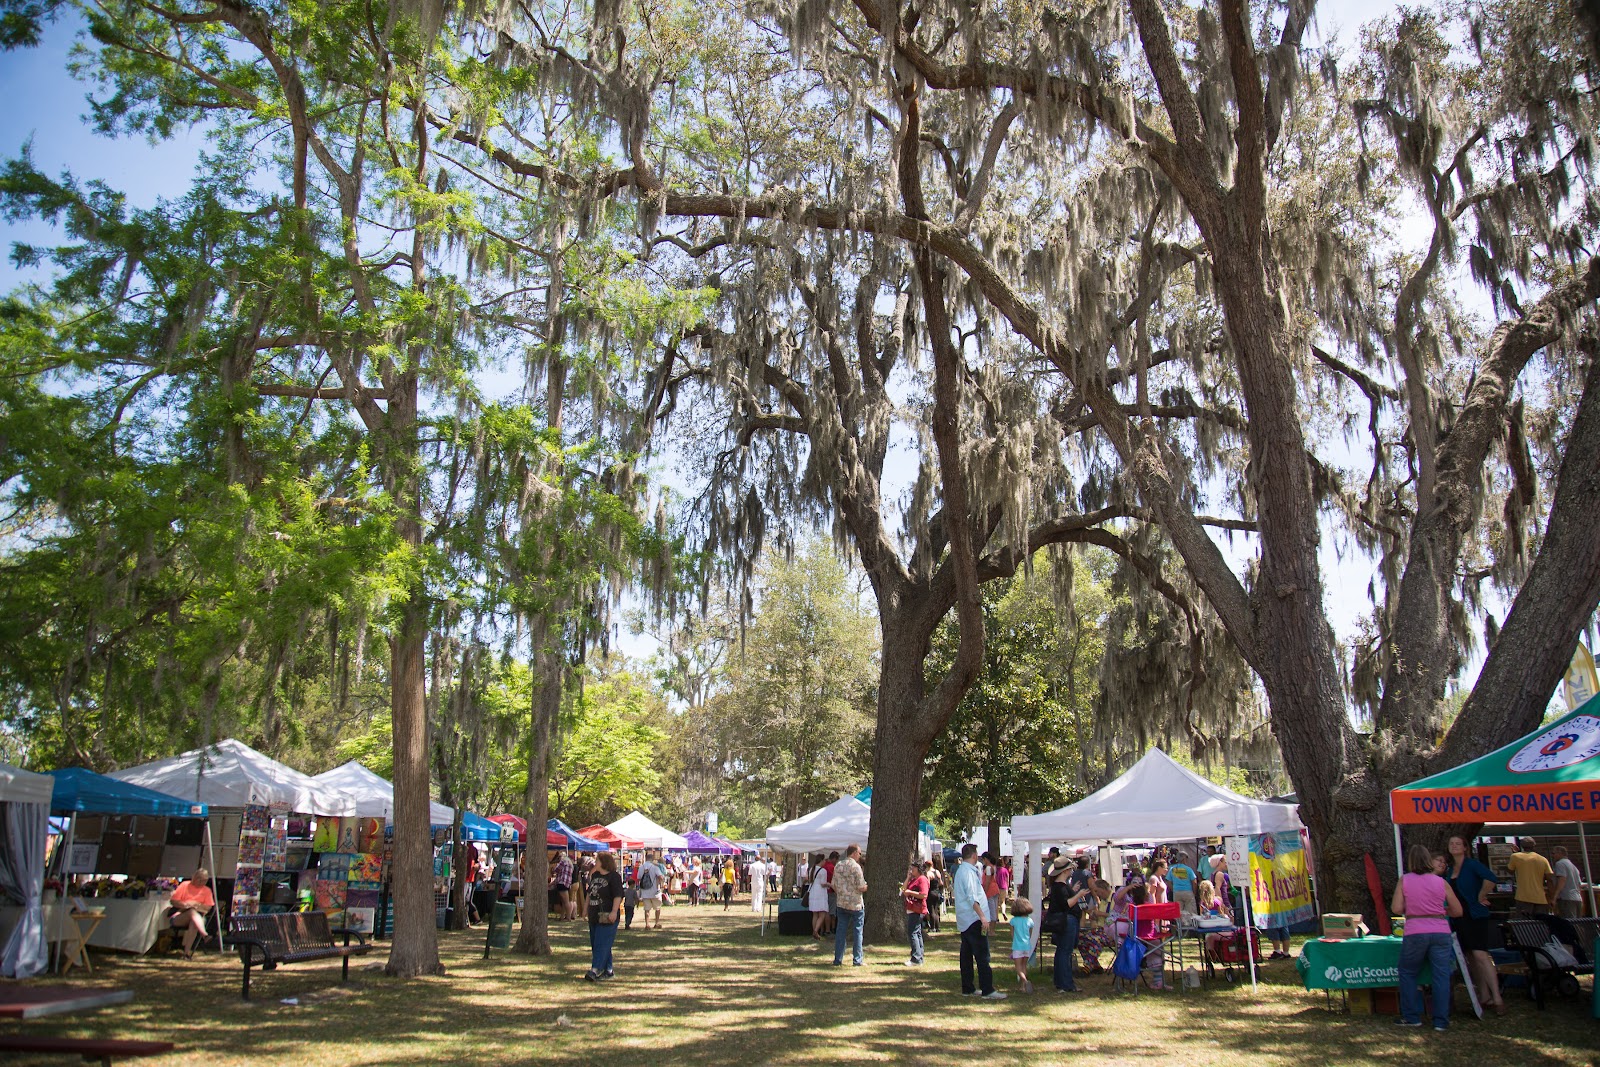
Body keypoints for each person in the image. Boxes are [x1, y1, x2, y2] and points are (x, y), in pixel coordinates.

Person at [1393, 844, 1462, 1030]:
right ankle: (1441, 1021)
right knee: (1441, 975)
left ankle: (1411, 1017)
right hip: (1440, 930)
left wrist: (1413, 907)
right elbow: (1457, 910)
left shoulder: (1405, 880)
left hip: (1415, 930)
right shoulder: (1441, 882)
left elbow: (1396, 908)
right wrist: (1442, 910)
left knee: (1408, 972)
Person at [1442, 835, 1504, 1014]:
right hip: (1458, 917)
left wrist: (1481, 895)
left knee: (1480, 954)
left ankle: (1497, 998)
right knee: (1469, 955)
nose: (1454, 846)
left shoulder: (1471, 864)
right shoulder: (1450, 869)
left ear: (1465, 847)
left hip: (1474, 915)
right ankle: (1484, 995)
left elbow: (1490, 878)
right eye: (1451, 843)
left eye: (1458, 843)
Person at [953, 843, 1006, 999]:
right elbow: (972, 897)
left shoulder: (963, 870)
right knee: (982, 955)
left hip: (966, 919)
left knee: (967, 954)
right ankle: (987, 989)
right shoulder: (968, 873)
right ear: (974, 855)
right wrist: (982, 916)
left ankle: (968, 987)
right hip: (973, 919)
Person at [1045, 856, 1090, 993]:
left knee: (1062, 951)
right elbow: (1066, 904)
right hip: (1067, 921)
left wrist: (1073, 891)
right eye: (1070, 868)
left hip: (1065, 920)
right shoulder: (1060, 887)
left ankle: (1061, 982)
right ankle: (1066, 984)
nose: (1072, 870)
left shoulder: (1060, 886)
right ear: (1065, 871)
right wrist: (1078, 895)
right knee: (1065, 952)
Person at [583, 852, 624, 981]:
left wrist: (614, 911)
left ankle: (595, 970)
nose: (595, 863)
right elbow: (589, 894)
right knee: (597, 942)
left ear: (604, 862)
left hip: (607, 915)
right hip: (594, 914)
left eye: (597, 861)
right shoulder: (595, 875)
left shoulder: (614, 877)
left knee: (602, 942)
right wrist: (585, 909)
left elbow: (618, 895)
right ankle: (608, 970)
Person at [832, 844, 868, 966]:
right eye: (859, 853)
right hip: (855, 904)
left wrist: (841, 893)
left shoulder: (838, 865)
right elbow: (861, 887)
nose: (860, 856)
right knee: (857, 931)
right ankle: (857, 959)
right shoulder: (856, 867)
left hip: (841, 903)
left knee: (840, 931)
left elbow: (833, 885)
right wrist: (866, 887)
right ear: (854, 853)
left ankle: (838, 959)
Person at [168, 867, 214, 959]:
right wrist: (186, 905)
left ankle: (186, 953)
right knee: (191, 912)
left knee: (194, 922)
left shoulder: (207, 890)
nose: (202, 882)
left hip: (198, 917)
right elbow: (173, 901)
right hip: (180, 915)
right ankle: (204, 934)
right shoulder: (185, 885)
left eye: (205, 880)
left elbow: (208, 907)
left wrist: (197, 905)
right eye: (200, 879)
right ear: (194, 877)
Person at [1076, 879, 1116, 973]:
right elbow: (1100, 917)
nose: (1096, 894)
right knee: (1080, 938)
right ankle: (1095, 966)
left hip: (1112, 932)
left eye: (1097, 891)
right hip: (1101, 930)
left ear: (1103, 889)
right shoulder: (1103, 901)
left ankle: (1087, 967)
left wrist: (1101, 914)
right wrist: (1094, 916)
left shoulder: (1116, 899)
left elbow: (1117, 916)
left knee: (1095, 940)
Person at [1508, 837, 1554, 915]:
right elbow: (1549, 879)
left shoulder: (1515, 856)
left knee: (1524, 921)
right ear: (1534, 846)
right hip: (1540, 898)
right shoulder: (1543, 859)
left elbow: (1510, 871)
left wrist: (1515, 853)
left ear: (1522, 846)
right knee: (1540, 921)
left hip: (1523, 897)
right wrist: (1552, 898)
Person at [903, 859, 929, 966]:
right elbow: (904, 890)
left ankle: (916, 958)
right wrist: (908, 878)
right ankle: (919, 956)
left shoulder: (922, 879)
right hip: (911, 909)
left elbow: (924, 894)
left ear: (919, 869)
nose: (911, 869)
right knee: (917, 933)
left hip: (918, 910)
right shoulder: (914, 879)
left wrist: (911, 892)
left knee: (912, 932)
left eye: (913, 867)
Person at [1010, 897, 1035, 993]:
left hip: (1017, 947)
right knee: (1024, 966)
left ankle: (1025, 981)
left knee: (1018, 967)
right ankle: (1023, 987)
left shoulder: (1013, 921)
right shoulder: (1030, 921)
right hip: (1027, 946)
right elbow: (1030, 933)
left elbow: (1012, 934)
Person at [1551, 845, 1583, 919]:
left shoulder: (1560, 864)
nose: (1553, 856)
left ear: (1560, 853)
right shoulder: (1573, 866)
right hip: (1577, 898)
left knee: (1568, 922)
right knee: (1577, 922)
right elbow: (1579, 884)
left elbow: (1562, 880)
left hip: (1566, 898)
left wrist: (1554, 897)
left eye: (1554, 853)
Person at [636, 851, 665, 930]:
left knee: (647, 909)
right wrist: (661, 882)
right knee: (657, 908)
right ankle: (656, 923)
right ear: (652, 859)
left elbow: (638, 878)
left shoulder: (641, 867)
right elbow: (661, 877)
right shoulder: (655, 867)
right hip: (655, 891)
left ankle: (647, 924)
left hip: (645, 891)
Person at [808, 853, 831, 939]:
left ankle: (814, 931)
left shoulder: (812, 869)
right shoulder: (823, 871)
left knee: (815, 914)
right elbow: (822, 883)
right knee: (822, 913)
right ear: (821, 860)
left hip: (813, 892)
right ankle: (815, 931)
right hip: (820, 893)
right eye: (824, 860)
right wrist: (829, 884)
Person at [550, 850, 574, 921]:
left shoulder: (563, 861)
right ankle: (562, 916)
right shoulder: (570, 863)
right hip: (567, 883)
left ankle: (568, 917)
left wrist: (552, 870)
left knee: (566, 901)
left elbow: (556, 870)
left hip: (562, 883)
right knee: (564, 901)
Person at [925, 860, 944, 932]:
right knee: (936, 910)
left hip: (931, 893)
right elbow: (941, 883)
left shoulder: (928, 873)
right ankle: (937, 927)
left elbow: (927, 884)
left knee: (931, 910)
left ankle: (932, 927)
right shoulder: (937, 872)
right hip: (937, 892)